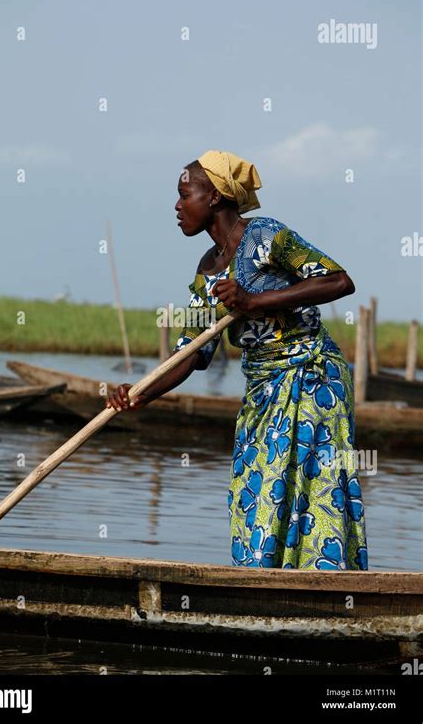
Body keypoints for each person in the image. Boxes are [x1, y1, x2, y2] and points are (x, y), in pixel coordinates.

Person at [106, 150, 368, 570]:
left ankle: (321, 583)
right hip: (262, 389)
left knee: (310, 487)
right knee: (254, 487)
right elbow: (191, 353)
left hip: (312, 378)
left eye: (184, 194)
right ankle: (264, 581)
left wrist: (254, 300)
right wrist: (138, 394)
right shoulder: (206, 270)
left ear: (213, 197)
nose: (176, 206)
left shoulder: (266, 236)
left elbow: (338, 280)